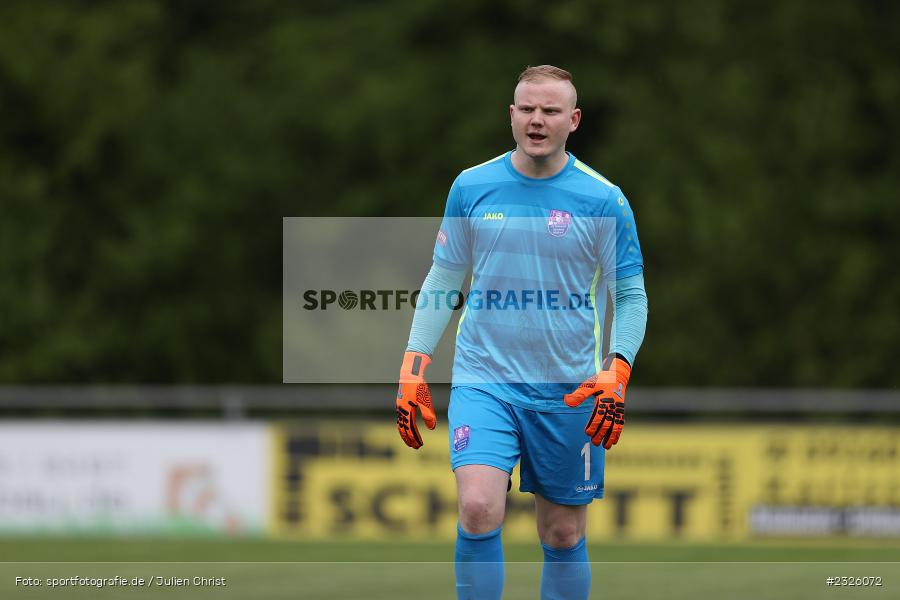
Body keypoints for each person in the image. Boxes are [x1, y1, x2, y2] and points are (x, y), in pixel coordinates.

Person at [395, 65, 648, 600]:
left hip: (571, 387)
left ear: (573, 120)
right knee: (479, 507)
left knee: (561, 532)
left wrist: (618, 366)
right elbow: (444, 275)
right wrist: (415, 362)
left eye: (550, 111)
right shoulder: (472, 186)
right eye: (527, 109)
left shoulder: (604, 200)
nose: (537, 120)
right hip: (484, 377)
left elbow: (630, 295)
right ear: (511, 115)